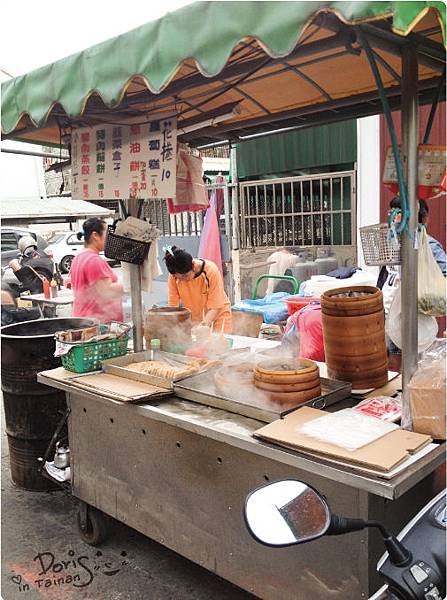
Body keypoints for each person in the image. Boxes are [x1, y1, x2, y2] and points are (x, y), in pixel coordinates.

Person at [164, 246, 232, 333]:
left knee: (218, 343)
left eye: (185, 276)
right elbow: (173, 307)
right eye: (179, 278)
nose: (183, 280)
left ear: (193, 264)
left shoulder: (211, 270)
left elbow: (216, 306)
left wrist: (204, 325)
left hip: (218, 316)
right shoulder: (174, 277)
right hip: (196, 319)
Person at [70, 218, 124, 322]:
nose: (108, 238)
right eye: (106, 234)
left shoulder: (78, 257)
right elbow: (107, 291)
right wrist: (131, 285)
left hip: (83, 319)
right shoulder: (93, 260)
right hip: (97, 324)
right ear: (95, 235)